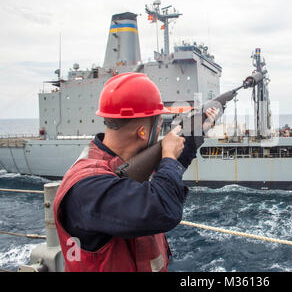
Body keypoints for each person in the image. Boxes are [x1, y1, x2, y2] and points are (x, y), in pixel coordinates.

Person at [53, 72, 215, 272]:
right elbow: (163, 209)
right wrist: (168, 155)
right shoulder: (88, 188)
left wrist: (194, 135)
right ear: (142, 132)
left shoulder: (115, 165)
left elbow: (164, 181)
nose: (160, 132)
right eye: (159, 124)